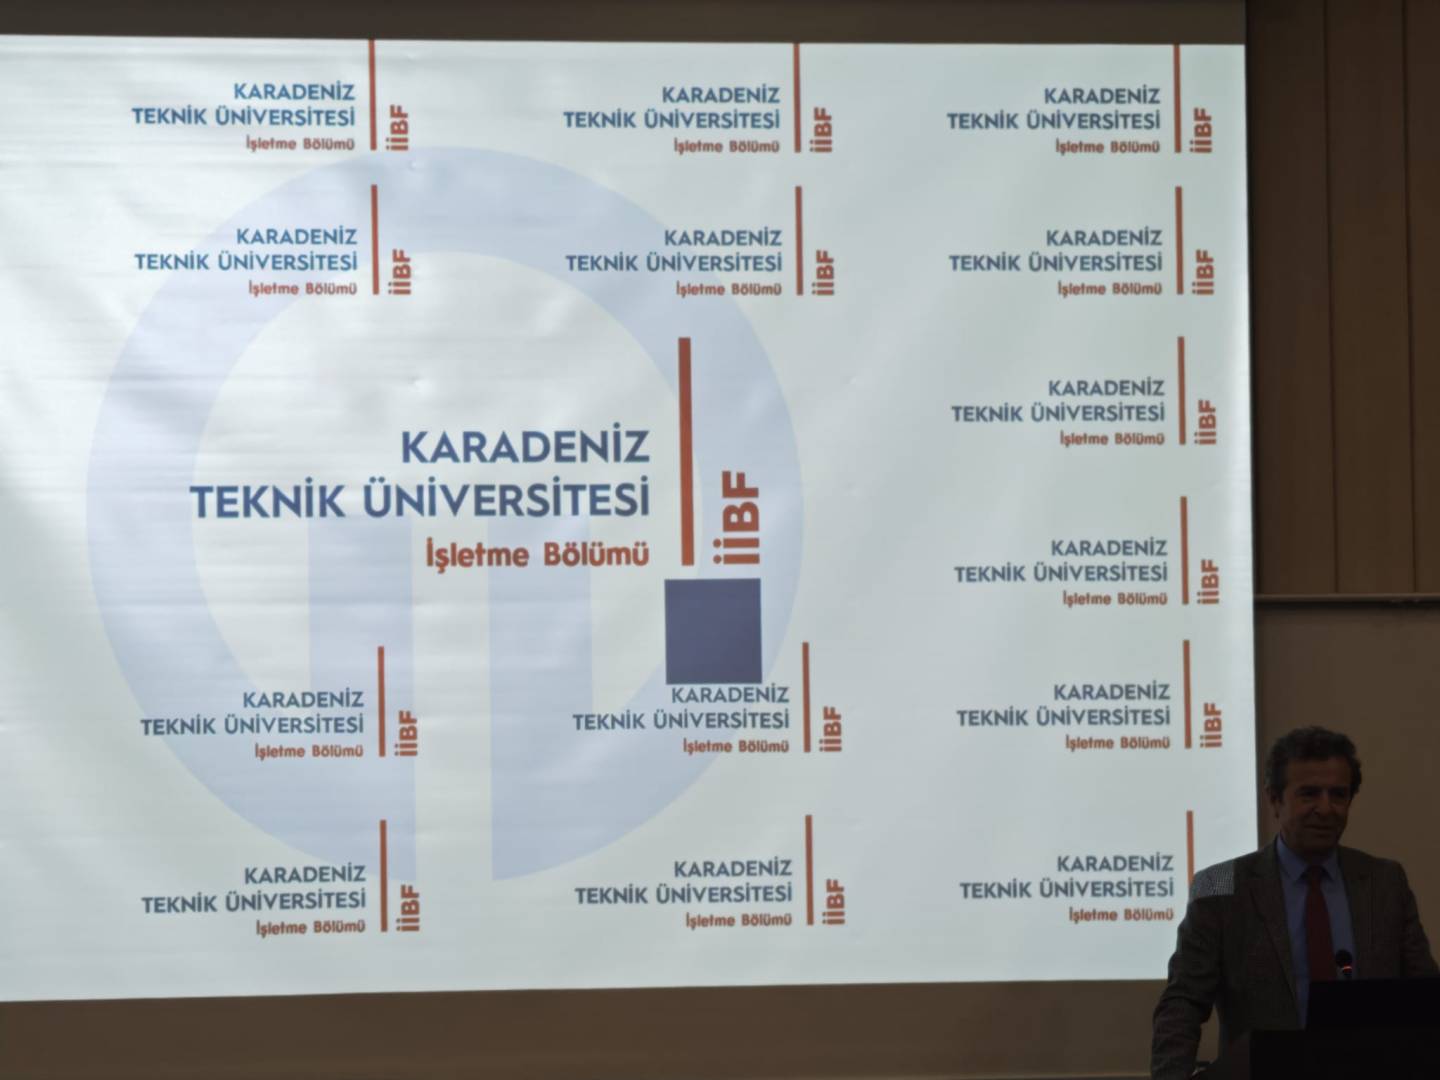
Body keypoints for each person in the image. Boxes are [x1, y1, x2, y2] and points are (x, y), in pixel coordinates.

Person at [1150, 727, 1437, 1079]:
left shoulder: (1385, 881)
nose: (1326, 808)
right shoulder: (1220, 885)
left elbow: (1425, 994)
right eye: (1309, 794)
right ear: (1274, 800)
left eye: (1338, 795)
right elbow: (1183, 1003)